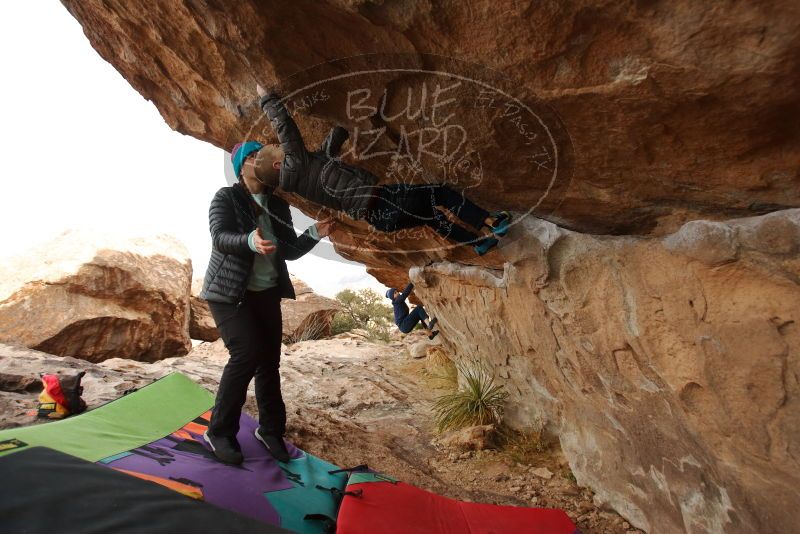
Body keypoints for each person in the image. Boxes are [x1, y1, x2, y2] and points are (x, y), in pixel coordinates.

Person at [251, 84, 512, 256]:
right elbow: (284, 125)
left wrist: (341, 128)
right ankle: (491, 222)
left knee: (433, 217)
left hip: (381, 219)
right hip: (386, 201)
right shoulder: (295, 162)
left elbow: (327, 152)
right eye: (277, 148)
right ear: (278, 164)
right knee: (441, 194)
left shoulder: (304, 172)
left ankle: (478, 243)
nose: (280, 146)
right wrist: (266, 99)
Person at [198, 140, 335, 465]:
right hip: (230, 294)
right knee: (246, 354)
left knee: (269, 362)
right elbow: (220, 237)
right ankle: (218, 432)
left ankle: (270, 430)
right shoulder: (226, 197)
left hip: (266, 293)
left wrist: (315, 232)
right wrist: (249, 240)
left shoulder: (278, 205)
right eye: (258, 157)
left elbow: (287, 249)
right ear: (245, 166)